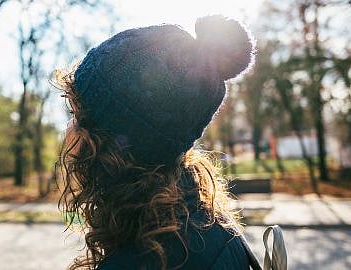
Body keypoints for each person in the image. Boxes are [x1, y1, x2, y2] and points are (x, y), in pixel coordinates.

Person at [57, 15, 256, 270]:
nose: (69, 132)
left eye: (77, 116)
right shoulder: (209, 226)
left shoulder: (142, 261)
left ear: (110, 144)